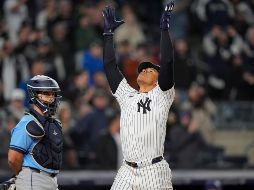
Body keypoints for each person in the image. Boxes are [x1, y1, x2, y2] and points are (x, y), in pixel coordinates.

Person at [102, 2, 175, 189]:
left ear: (159, 80)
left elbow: (166, 62)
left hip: (154, 170)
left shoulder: (162, 95)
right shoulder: (127, 95)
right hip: (127, 169)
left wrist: (164, 31)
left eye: (151, 69)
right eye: (143, 68)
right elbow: (110, 67)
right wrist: (108, 36)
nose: (145, 70)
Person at [8, 75, 63, 190]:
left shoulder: (54, 123)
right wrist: (22, 175)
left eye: (53, 94)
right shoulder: (28, 122)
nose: (51, 97)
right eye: (47, 93)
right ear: (35, 95)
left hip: (52, 180)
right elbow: (13, 158)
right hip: (34, 178)